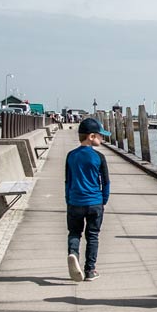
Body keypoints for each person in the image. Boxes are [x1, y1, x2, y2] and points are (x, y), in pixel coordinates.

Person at [65, 117, 111, 282]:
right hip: (94, 202)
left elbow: (67, 181)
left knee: (75, 232)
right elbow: (105, 182)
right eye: (100, 135)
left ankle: (73, 254)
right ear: (91, 136)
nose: (102, 138)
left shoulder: (71, 156)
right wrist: (103, 200)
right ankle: (90, 270)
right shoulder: (99, 157)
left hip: (75, 201)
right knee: (92, 235)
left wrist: (68, 200)